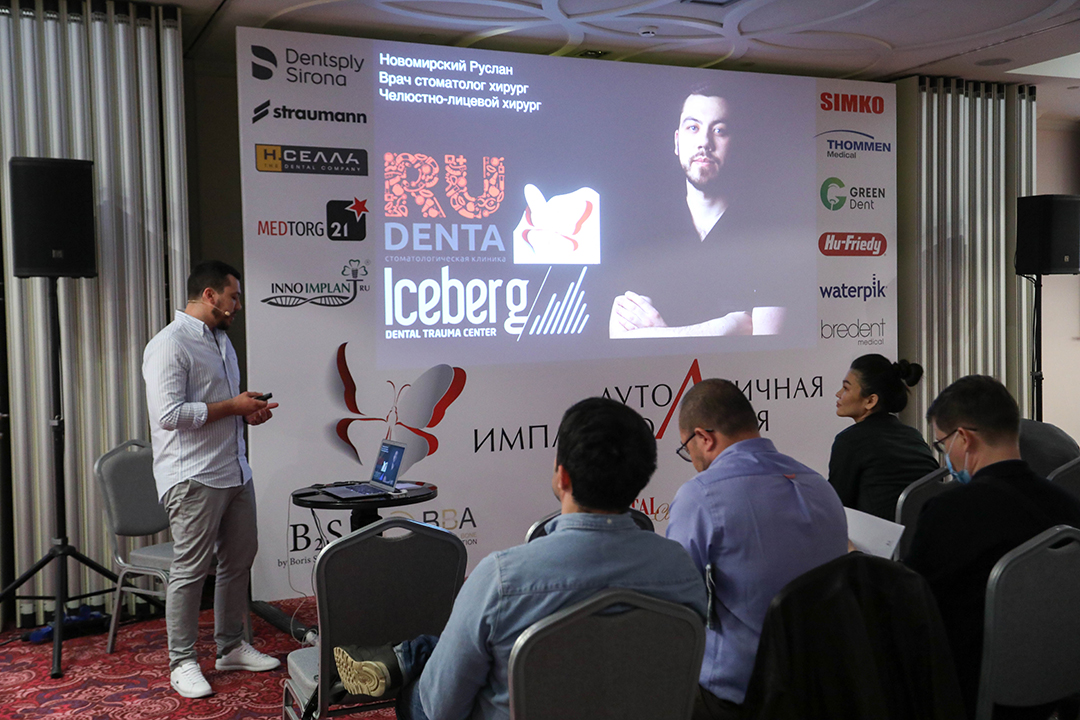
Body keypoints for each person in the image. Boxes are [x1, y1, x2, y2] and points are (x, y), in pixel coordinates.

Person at [332, 397, 708, 720]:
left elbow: (440, 708)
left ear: (562, 477)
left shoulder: (501, 579)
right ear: (641, 479)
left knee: (420, 691)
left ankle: (404, 661)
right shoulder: (680, 569)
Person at [666, 378, 848, 720]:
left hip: (740, 694)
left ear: (704, 437)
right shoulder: (820, 486)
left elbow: (675, 604)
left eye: (686, 447)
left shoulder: (701, 495)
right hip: (824, 686)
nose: (691, 458)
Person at [143, 260, 282, 698]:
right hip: (193, 476)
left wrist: (248, 413)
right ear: (210, 295)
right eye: (233, 297)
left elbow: (219, 407)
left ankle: (230, 646)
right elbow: (169, 415)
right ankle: (182, 662)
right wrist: (232, 407)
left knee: (238, 561)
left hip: (234, 469)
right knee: (190, 571)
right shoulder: (169, 344)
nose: (237, 305)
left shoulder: (222, 341)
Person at [906, 375, 1080, 719]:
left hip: (972, 690)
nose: (945, 458)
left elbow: (915, 607)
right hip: (1057, 684)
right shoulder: (1069, 507)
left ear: (964, 438)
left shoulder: (949, 512)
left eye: (942, 445)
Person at [609, 84, 786, 338]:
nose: (705, 142)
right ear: (677, 142)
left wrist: (659, 334)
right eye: (693, 128)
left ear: (736, 143)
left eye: (719, 130)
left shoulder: (770, 235)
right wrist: (728, 327)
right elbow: (621, 337)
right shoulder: (646, 231)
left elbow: (767, 343)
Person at [828, 354, 940, 520]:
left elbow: (835, 509)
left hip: (878, 535)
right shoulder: (913, 435)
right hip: (927, 531)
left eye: (846, 388)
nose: (838, 394)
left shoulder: (849, 441)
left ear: (870, 401)